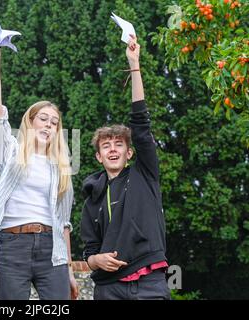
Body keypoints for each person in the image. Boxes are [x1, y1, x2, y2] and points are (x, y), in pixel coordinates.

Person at [0, 34, 78, 300]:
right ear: (31, 121)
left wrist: (69, 270)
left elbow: (64, 222)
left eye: (54, 122)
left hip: (52, 249)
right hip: (14, 245)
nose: (48, 124)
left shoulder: (61, 167)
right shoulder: (10, 152)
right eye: (43, 119)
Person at [81, 35, 170, 300]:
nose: (112, 149)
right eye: (105, 145)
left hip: (149, 282)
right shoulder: (92, 197)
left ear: (129, 153)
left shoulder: (145, 174)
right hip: (109, 287)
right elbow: (89, 252)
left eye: (118, 144)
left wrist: (134, 65)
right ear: (99, 156)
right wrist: (97, 260)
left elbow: (141, 125)